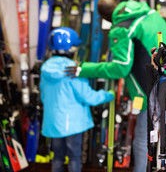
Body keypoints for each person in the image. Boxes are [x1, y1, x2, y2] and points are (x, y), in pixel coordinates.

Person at [64, 0, 166, 172]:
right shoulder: (149, 12)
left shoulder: (121, 29)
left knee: (144, 139)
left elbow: (121, 68)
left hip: (153, 87)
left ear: (104, 18)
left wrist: (83, 69)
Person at [40, 27, 114, 172]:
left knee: (57, 157)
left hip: (54, 122)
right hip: (72, 123)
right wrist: (108, 94)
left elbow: (44, 96)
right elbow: (88, 96)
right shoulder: (72, 68)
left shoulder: (45, 68)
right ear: (71, 48)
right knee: (74, 157)